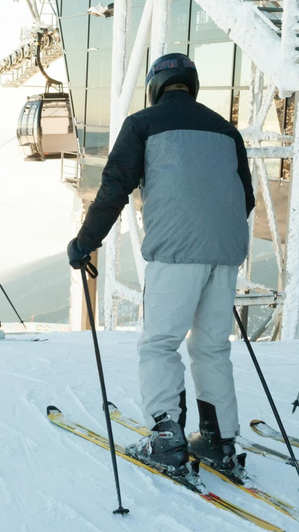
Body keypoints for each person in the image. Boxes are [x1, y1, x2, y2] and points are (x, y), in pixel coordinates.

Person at [66, 53, 254, 478]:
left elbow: (115, 186)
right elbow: (246, 198)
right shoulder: (226, 130)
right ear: (192, 84)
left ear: (155, 87)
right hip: (224, 253)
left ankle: (167, 440)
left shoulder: (143, 124)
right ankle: (219, 440)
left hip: (175, 253)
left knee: (159, 344)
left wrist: (84, 243)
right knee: (211, 347)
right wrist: (213, 236)